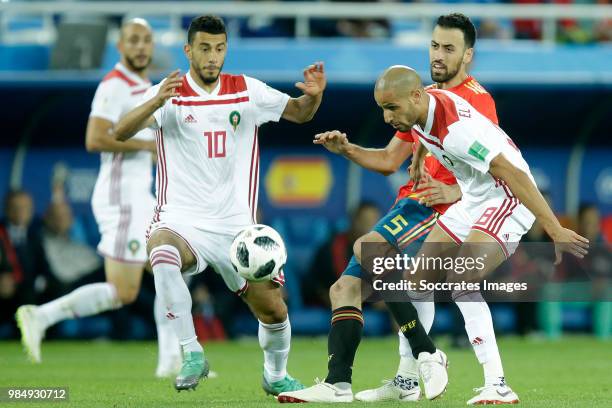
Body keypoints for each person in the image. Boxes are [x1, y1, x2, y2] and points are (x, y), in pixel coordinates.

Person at [112, 15, 326, 393]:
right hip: (182, 219)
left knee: (274, 311)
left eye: (220, 48)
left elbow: (298, 112)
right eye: (205, 48)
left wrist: (314, 96)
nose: (213, 57)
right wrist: (155, 102)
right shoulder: (169, 92)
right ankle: (191, 352)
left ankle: (276, 376)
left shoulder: (246, 90)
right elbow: (120, 131)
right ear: (188, 50)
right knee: (161, 252)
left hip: (236, 227)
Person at [380, 65, 586, 404]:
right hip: (474, 196)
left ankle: (498, 384)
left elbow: (510, 171)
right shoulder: (422, 106)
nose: (387, 117)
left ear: (416, 96)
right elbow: (424, 124)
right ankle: (408, 379)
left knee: (461, 279)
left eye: (392, 108)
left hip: (507, 196)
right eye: (383, 108)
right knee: (417, 280)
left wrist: (553, 227)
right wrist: (418, 154)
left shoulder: (458, 132)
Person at [356, 13, 511, 403]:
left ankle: (485, 379)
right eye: (434, 46)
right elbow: (394, 157)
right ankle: (411, 376)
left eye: (449, 48)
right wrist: (350, 148)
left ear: (468, 55)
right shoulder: (419, 96)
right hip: (424, 201)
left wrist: (451, 193)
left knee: (427, 278)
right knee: (412, 283)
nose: (439, 55)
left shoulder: (477, 100)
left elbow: (492, 168)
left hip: (455, 207)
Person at [15, 18, 182, 378]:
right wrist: (148, 145)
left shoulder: (141, 85)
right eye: (133, 40)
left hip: (140, 194)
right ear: (120, 46)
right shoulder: (114, 85)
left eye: (146, 40)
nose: (141, 47)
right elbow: (94, 138)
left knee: (168, 266)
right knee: (124, 291)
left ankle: (172, 359)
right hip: (122, 197)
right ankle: (41, 315)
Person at [302, 202, 380, 307]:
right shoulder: (332, 249)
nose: (371, 228)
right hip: (328, 301)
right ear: (354, 222)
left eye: (375, 222)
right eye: (366, 222)